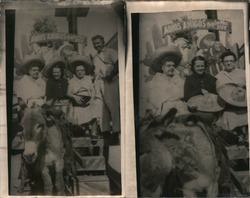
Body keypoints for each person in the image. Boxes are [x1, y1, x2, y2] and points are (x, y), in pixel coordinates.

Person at [141, 45, 188, 118]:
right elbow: (155, 99)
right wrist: (170, 100)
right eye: (169, 66)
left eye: (173, 66)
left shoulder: (178, 79)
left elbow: (183, 94)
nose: (172, 68)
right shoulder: (156, 80)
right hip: (164, 109)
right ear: (163, 67)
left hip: (180, 106)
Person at [92, 35, 120, 145]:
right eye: (94, 43)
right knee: (102, 108)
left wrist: (112, 74)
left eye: (98, 43)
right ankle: (106, 132)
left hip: (110, 81)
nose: (96, 45)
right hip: (99, 82)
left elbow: (118, 62)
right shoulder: (95, 56)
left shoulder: (110, 51)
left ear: (103, 42)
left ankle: (116, 132)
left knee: (113, 106)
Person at [67, 54, 99, 137]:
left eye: (81, 70)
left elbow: (93, 91)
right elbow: (68, 93)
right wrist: (74, 97)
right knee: (78, 118)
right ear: (75, 72)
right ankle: (83, 132)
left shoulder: (88, 79)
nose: (80, 72)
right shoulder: (71, 81)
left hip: (88, 103)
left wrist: (92, 99)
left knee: (94, 111)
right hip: (77, 105)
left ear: (84, 71)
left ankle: (94, 133)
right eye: (78, 70)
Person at [215, 51, 247, 133]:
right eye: (226, 61)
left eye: (231, 61)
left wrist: (245, 84)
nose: (229, 63)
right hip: (229, 105)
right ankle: (238, 135)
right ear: (222, 63)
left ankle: (245, 135)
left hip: (245, 102)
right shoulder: (219, 77)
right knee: (229, 115)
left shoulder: (243, 73)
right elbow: (219, 93)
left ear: (235, 62)